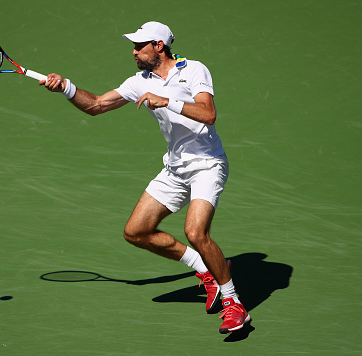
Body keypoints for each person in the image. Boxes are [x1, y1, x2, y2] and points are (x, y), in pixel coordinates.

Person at [41, 21, 250, 334]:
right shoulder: (138, 82)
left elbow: (208, 114)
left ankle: (234, 303)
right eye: (134, 47)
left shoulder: (193, 70)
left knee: (196, 231)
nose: (135, 52)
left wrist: (167, 100)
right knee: (136, 232)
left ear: (159, 46)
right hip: (175, 168)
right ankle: (205, 270)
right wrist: (67, 88)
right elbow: (97, 105)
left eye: (140, 46)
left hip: (207, 164)